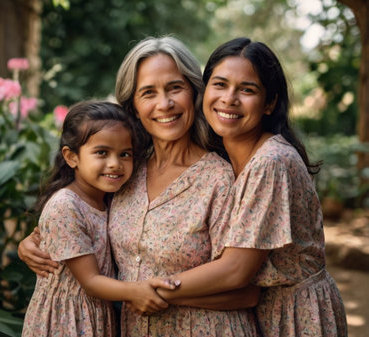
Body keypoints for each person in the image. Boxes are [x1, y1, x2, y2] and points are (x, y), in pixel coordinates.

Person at [19, 37, 261, 336]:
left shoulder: (221, 178)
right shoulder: (123, 174)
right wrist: (31, 243)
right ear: (133, 106)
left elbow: (248, 291)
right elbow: (76, 219)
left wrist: (153, 294)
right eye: (148, 92)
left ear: (194, 94)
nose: (165, 104)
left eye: (175, 88)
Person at [156, 37, 348, 336]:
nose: (229, 99)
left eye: (247, 90)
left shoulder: (272, 161)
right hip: (258, 312)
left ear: (269, 103)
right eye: (219, 85)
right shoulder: (223, 156)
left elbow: (236, 270)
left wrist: (148, 290)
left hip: (295, 315)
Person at [21, 100, 179, 337]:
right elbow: (91, 281)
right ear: (71, 157)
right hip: (66, 322)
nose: (115, 164)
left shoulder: (110, 200)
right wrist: (136, 292)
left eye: (125, 154)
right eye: (101, 152)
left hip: (94, 316)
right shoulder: (66, 205)